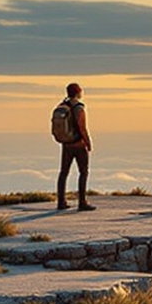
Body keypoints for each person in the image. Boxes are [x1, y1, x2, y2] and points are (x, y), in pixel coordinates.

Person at [55, 82, 92, 211]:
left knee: (63, 172)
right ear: (78, 92)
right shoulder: (78, 107)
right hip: (78, 144)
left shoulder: (62, 106)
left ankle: (61, 202)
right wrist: (87, 141)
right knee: (83, 172)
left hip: (66, 144)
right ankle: (82, 202)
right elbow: (82, 127)